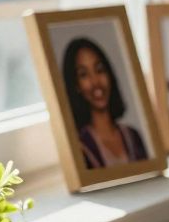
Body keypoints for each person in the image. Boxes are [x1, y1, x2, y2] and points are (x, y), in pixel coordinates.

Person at [61, 37, 149, 169]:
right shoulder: (80, 148)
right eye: (84, 74)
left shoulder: (133, 137)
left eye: (99, 70)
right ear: (76, 85)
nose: (96, 82)